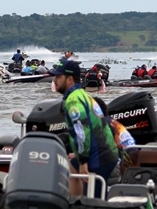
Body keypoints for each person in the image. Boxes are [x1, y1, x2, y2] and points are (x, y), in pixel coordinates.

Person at [51, 60, 120, 198]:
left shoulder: (74, 101)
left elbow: (82, 132)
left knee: (94, 201)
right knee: (70, 166)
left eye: (59, 77)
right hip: (105, 152)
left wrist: (83, 162)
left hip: (99, 157)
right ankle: (72, 202)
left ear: (69, 79)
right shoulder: (83, 94)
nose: (54, 80)